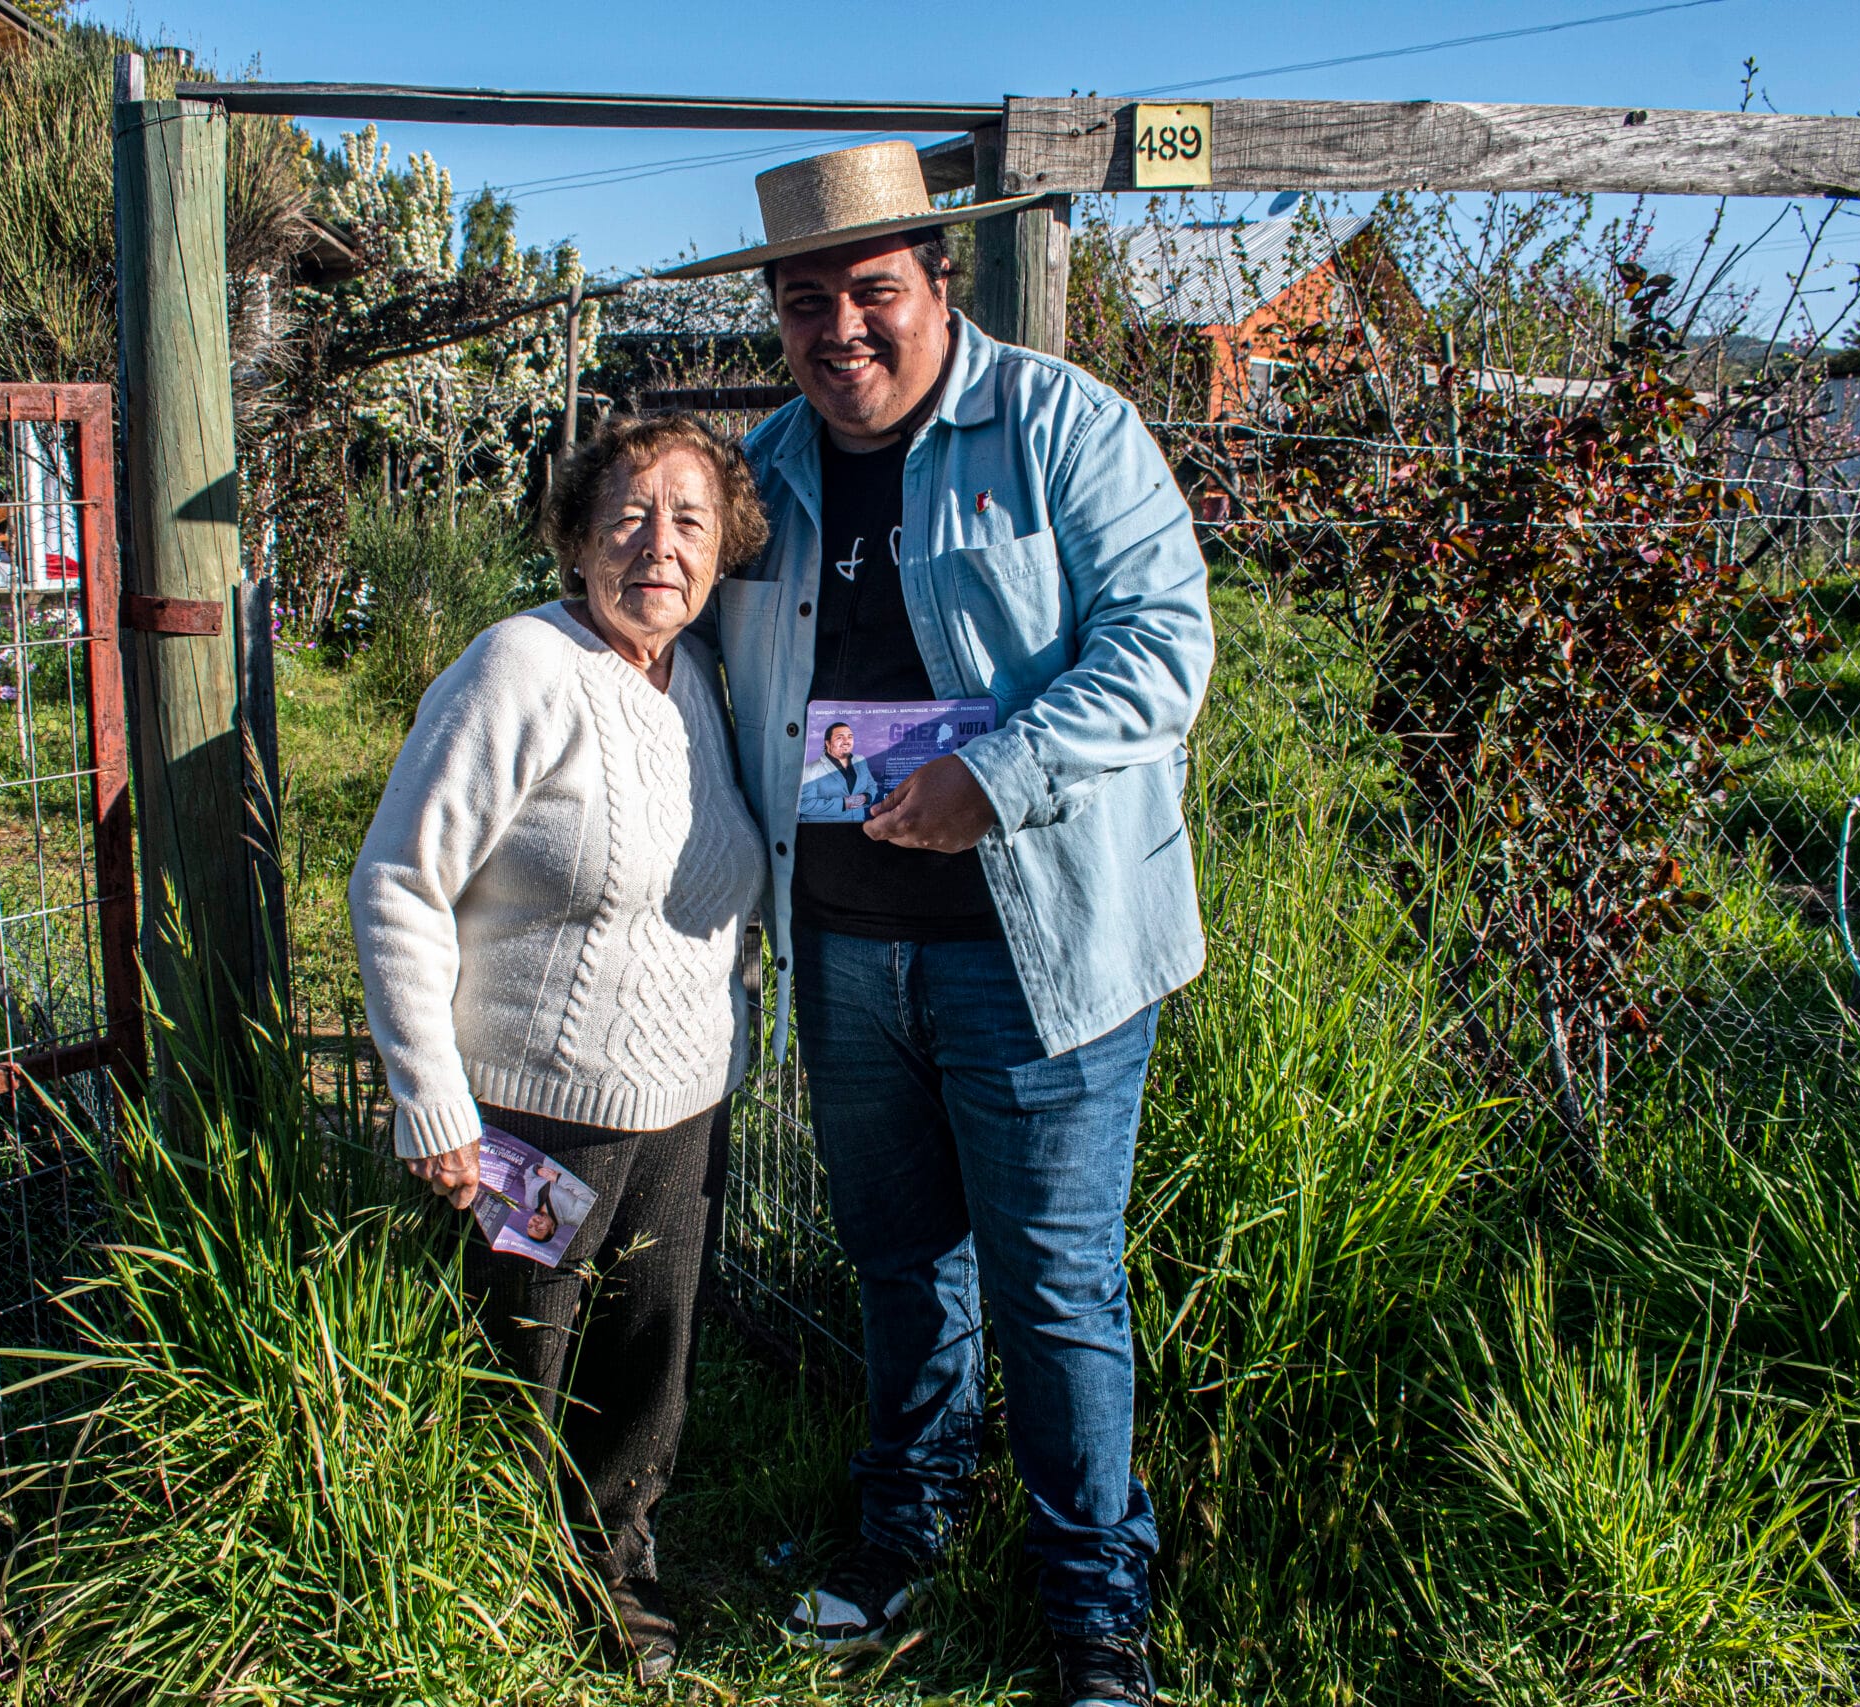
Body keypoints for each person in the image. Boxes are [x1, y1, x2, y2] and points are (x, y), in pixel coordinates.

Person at [661, 140, 1214, 1707]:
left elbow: (1166, 645)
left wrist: (999, 771)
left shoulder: (1060, 430)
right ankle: (902, 1526)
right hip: (844, 945)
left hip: (1036, 950)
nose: (840, 327)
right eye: (804, 300)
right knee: (899, 1258)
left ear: (936, 285)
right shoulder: (761, 476)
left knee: (1053, 1284)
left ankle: (1093, 1605)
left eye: (871, 290)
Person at [347, 411, 771, 1683]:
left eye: (688, 521)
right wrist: (433, 1102)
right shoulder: (519, 669)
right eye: (628, 517)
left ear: (723, 550)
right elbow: (397, 884)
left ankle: (618, 1589)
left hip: (686, 1107)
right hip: (535, 1117)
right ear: (578, 540)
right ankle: (471, 1591)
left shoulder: (698, 682)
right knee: (515, 1371)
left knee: (644, 1376)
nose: (659, 546)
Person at [796, 722, 878, 819]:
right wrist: (844, 803)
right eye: (840, 737)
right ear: (828, 743)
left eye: (850, 737)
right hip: (826, 831)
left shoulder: (861, 760)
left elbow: (872, 785)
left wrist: (866, 797)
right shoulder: (810, 770)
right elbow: (803, 804)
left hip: (858, 826)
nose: (846, 741)